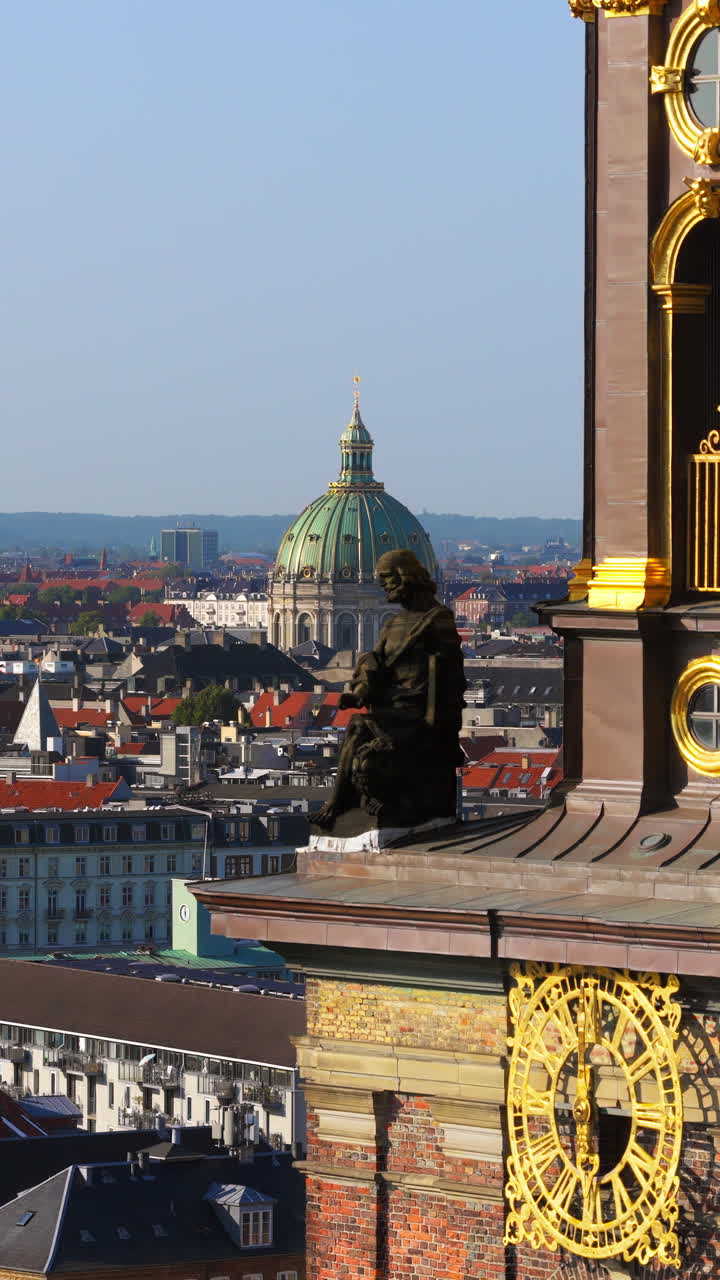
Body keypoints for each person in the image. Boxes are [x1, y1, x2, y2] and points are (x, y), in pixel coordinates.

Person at [313, 549, 466, 831]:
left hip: (417, 709)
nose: (383, 588)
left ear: (404, 578)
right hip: (392, 705)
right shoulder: (393, 622)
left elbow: (452, 677)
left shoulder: (437, 618)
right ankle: (339, 803)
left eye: (386, 580)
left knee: (360, 725)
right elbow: (375, 660)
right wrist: (360, 690)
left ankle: (340, 803)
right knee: (358, 726)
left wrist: (441, 720)